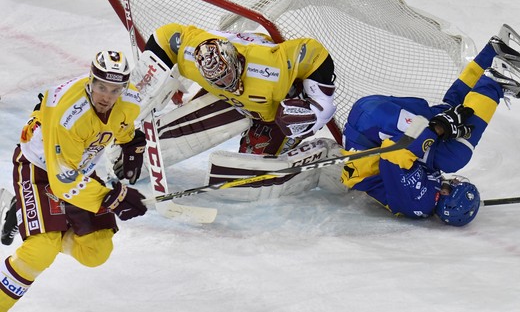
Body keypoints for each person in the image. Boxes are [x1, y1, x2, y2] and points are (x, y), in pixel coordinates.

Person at [340, 25, 520, 226]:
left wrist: (436, 130)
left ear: (447, 197)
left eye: (454, 187)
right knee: (452, 111)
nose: (454, 181)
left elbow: (394, 154)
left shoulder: (420, 201)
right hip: (372, 118)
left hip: (370, 126)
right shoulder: (425, 195)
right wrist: (440, 127)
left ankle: (494, 82)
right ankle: (494, 53)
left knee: (453, 156)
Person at [0, 51, 148, 310]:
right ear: (91, 81)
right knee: (40, 251)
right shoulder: (70, 116)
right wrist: (106, 197)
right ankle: (31, 216)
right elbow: (63, 181)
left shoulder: (131, 99)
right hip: (39, 167)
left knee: (96, 252)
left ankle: (30, 214)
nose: (107, 96)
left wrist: (131, 142)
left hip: (77, 166)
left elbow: (121, 123)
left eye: (115, 90)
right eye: (101, 87)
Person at [143, 23, 337, 157]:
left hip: (276, 103)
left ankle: (286, 133)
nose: (226, 84)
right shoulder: (192, 58)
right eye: (217, 80)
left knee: (251, 169)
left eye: (226, 77)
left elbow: (313, 52)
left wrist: (319, 105)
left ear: (236, 63)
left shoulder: (270, 66)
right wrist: (150, 77)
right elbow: (166, 37)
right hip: (235, 96)